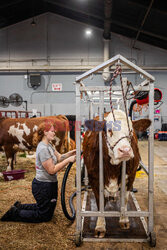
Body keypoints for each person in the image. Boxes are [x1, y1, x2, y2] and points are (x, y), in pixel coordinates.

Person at [1, 121, 76, 223]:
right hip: (43, 186)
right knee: (44, 215)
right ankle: (15, 213)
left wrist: (72, 153)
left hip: (49, 184)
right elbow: (51, 170)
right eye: (52, 131)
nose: (54, 133)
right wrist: (68, 160)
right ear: (45, 132)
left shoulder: (49, 145)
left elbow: (59, 157)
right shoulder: (43, 149)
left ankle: (19, 206)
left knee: (45, 208)